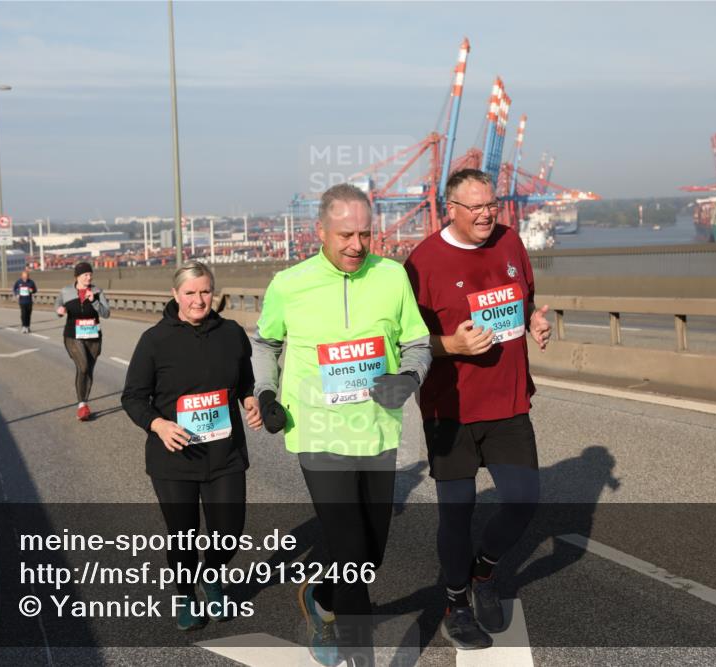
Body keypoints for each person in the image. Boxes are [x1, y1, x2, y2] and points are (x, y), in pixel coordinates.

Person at [252, 183, 431, 667]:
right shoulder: (289, 284)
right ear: (320, 232)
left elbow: (418, 343)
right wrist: (266, 392)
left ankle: (322, 600)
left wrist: (409, 378)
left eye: (365, 234)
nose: (357, 245)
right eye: (346, 234)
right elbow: (265, 344)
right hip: (317, 433)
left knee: (369, 557)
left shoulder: (392, 277)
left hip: (376, 432)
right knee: (352, 555)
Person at [403, 168, 552, 650]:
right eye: (476, 207)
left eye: (493, 204)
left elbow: (524, 299)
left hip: (508, 401)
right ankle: (455, 603)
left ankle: (484, 574)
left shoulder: (510, 242)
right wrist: (452, 345)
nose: (488, 214)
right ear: (452, 210)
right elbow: (405, 343)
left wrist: (535, 321)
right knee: (457, 515)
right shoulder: (422, 263)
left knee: (524, 500)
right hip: (452, 409)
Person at [121, 260, 262, 631]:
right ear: (175, 295)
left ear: (213, 293)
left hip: (225, 454)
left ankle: (211, 573)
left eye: (204, 291)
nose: (199, 300)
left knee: (229, 533)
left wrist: (250, 400)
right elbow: (133, 397)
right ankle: (185, 595)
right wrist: (158, 424)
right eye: (190, 293)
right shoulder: (154, 341)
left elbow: (244, 381)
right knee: (183, 535)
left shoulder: (231, 333)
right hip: (174, 458)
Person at [56, 262, 110, 421]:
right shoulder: (66, 292)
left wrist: (94, 301)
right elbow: (58, 304)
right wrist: (59, 311)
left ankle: (83, 404)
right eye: (85, 274)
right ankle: (82, 406)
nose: (89, 277)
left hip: (93, 337)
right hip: (73, 336)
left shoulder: (97, 291)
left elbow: (106, 313)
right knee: (83, 366)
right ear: (77, 277)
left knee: (88, 371)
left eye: (90, 274)